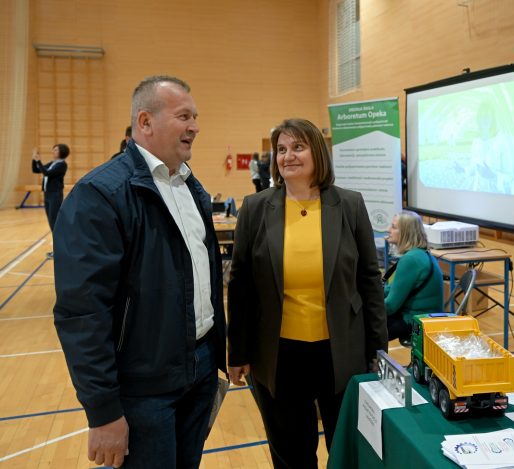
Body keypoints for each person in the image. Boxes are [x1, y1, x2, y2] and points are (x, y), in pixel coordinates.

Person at [52, 76, 226, 469]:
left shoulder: (190, 187)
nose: (196, 126)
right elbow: (82, 313)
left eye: (196, 117)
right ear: (145, 122)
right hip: (144, 389)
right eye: (184, 116)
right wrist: (103, 410)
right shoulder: (100, 195)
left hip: (198, 369)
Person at [227, 118, 388, 469]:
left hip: (341, 352)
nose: (288, 156)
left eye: (298, 147)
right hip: (278, 355)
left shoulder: (349, 204)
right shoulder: (255, 208)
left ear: (317, 152)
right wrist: (237, 351)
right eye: (281, 149)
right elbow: (240, 286)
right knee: (291, 455)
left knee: (348, 451)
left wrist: (378, 350)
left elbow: (369, 281)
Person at [383, 210, 443, 343]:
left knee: (361, 327)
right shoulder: (420, 254)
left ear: (406, 232)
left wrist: (365, 307)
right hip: (424, 319)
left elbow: (391, 306)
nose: (388, 230)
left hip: (417, 324)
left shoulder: (410, 260)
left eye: (393, 227)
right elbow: (391, 289)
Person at [31, 143, 69, 239]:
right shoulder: (53, 163)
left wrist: (38, 161)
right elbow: (36, 170)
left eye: (55, 150)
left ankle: (60, 243)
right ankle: (57, 243)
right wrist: (34, 159)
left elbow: (47, 173)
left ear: (62, 152)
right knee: (50, 220)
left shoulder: (62, 165)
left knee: (54, 220)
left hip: (55, 195)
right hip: (47, 194)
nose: (53, 151)